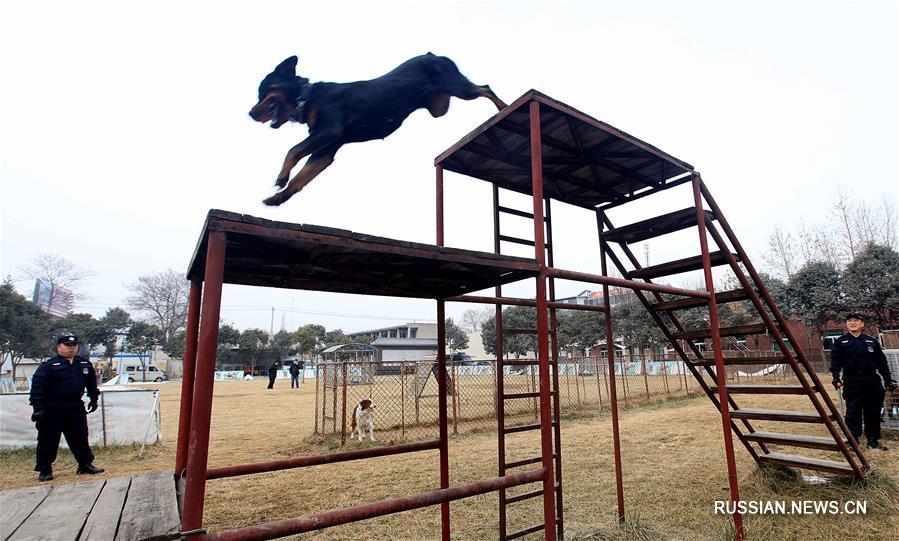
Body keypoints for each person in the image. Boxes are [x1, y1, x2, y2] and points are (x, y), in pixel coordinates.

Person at [29, 335, 105, 481]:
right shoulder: (49, 366)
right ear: (59, 347)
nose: (71, 348)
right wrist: (37, 409)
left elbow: (91, 384)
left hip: (75, 406)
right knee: (48, 440)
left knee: (80, 437)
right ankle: (45, 469)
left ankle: (85, 464)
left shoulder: (84, 364)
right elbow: (37, 388)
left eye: (74, 345)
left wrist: (94, 398)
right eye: (67, 345)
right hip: (52, 407)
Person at [831, 312, 897, 451]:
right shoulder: (841, 342)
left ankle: (873, 440)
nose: (852, 323)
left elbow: (882, 362)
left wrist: (888, 380)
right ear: (846, 324)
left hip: (872, 380)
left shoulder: (871, 341)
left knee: (873, 411)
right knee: (853, 412)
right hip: (852, 380)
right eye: (849, 321)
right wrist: (836, 377)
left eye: (856, 320)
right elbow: (835, 362)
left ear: (862, 324)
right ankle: (853, 442)